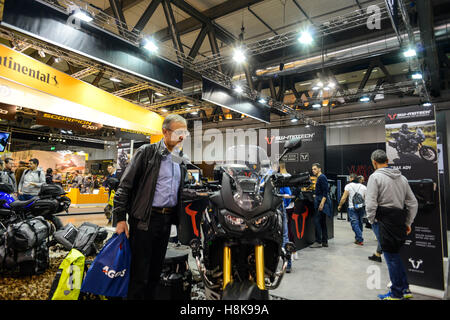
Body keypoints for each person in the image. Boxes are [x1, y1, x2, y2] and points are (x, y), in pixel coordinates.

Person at [113, 114, 189, 300]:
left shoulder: (180, 159)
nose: (181, 137)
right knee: (140, 273)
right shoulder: (147, 152)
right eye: (178, 132)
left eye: (184, 133)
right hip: (144, 220)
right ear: (165, 131)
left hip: (166, 221)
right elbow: (125, 186)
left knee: (156, 271)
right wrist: (120, 219)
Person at [366, 149, 418, 300]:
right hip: (399, 220)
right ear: (387, 160)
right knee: (395, 256)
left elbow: (370, 203)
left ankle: (396, 293)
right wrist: (408, 222)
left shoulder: (375, 177)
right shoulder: (402, 178)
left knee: (391, 258)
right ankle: (405, 289)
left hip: (383, 221)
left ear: (374, 162)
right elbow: (413, 203)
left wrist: (371, 220)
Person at [338, 173, 367, 245]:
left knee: (354, 223)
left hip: (352, 207)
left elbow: (344, 197)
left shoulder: (348, 186)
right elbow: (366, 198)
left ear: (351, 178)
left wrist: (340, 205)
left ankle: (360, 239)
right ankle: (358, 238)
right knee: (360, 223)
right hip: (361, 207)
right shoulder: (363, 187)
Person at [310, 163, 332, 248]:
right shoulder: (319, 177)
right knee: (322, 222)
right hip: (320, 200)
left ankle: (318, 241)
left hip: (321, 203)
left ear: (319, 169)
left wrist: (322, 203)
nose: (313, 170)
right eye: (312, 169)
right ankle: (324, 241)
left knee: (317, 221)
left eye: (315, 169)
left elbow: (325, 192)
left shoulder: (322, 177)